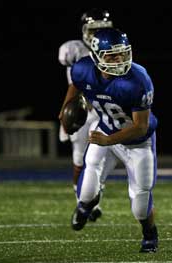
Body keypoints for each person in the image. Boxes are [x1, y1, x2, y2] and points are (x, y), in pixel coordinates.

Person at [59, 27, 159, 253]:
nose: (119, 60)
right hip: (105, 129)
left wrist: (108, 140)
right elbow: (76, 85)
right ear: (96, 56)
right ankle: (86, 207)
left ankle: (149, 234)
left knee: (141, 205)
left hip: (138, 143)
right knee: (85, 193)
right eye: (112, 55)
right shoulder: (83, 69)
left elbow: (140, 126)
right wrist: (65, 110)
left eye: (122, 53)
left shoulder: (137, 80)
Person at [58, 9, 114, 222]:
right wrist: (65, 111)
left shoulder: (115, 48)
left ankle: (93, 200)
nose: (98, 33)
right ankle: (80, 198)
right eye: (94, 29)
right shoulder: (74, 50)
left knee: (100, 158)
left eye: (102, 29)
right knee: (80, 159)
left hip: (105, 109)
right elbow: (74, 85)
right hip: (82, 110)